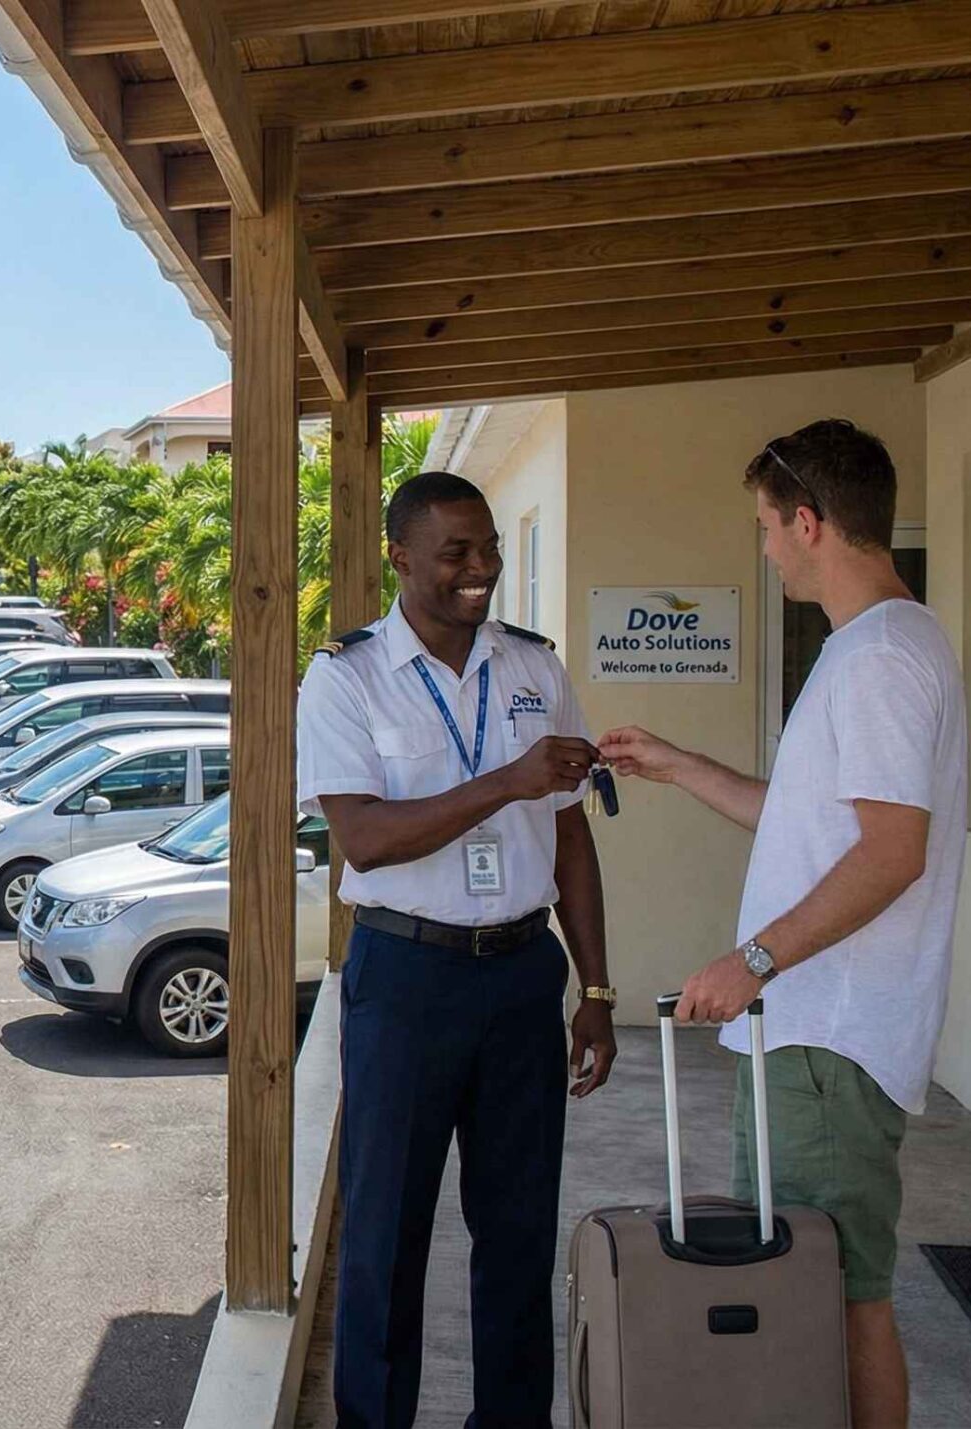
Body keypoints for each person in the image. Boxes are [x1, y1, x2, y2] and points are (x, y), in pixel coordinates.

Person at [599, 419, 963, 1429]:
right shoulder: (878, 645)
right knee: (816, 1281)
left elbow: (892, 852)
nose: (761, 547)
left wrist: (755, 958)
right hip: (810, 1032)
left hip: (826, 1036)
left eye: (765, 525)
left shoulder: (880, 658)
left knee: (835, 1292)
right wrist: (680, 766)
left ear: (808, 521)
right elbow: (815, 821)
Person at [298, 471, 617, 1428]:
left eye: (489, 548)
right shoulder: (345, 678)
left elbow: (570, 835)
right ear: (400, 555)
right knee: (387, 1231)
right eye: (457, 552)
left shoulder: (534, 669)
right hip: (407, 978)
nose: (481, 569)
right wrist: (509, 779)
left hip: (522, 976)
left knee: (518, 1230)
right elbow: (368, 838)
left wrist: (595, 986)